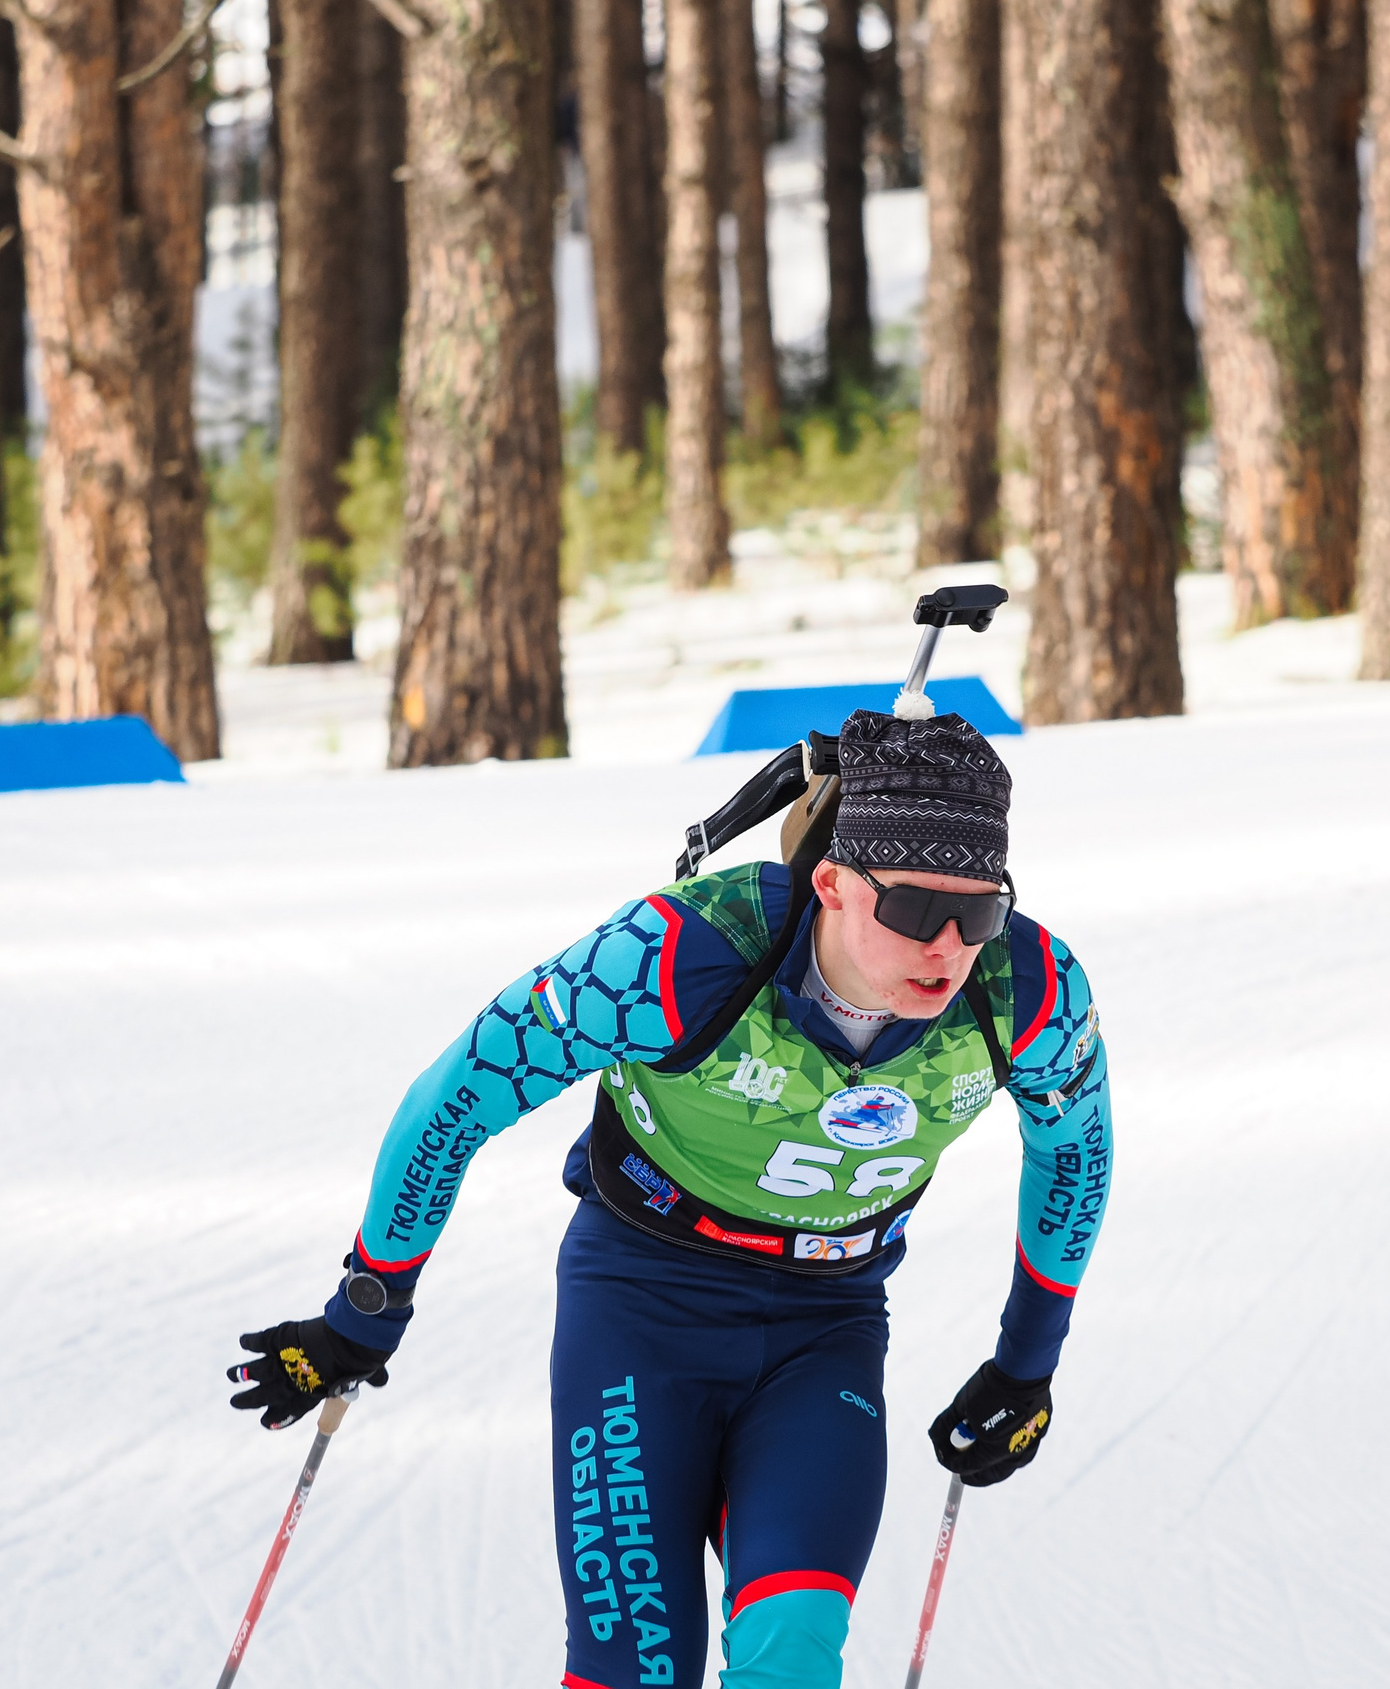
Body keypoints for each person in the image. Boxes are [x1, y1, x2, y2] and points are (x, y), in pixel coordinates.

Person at [225, 711, 1115, 1689]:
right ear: (831, 883)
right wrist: (369, 1304)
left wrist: (1025, 1368)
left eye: (979, 914)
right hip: (640, 1308)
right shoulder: (676, 957)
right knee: (634, 1671)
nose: (949, 949)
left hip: (825, 1328)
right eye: (910, 911)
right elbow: (461, 1094)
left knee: (792, 1658)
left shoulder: (1028, 988)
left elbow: (1074, 1155)